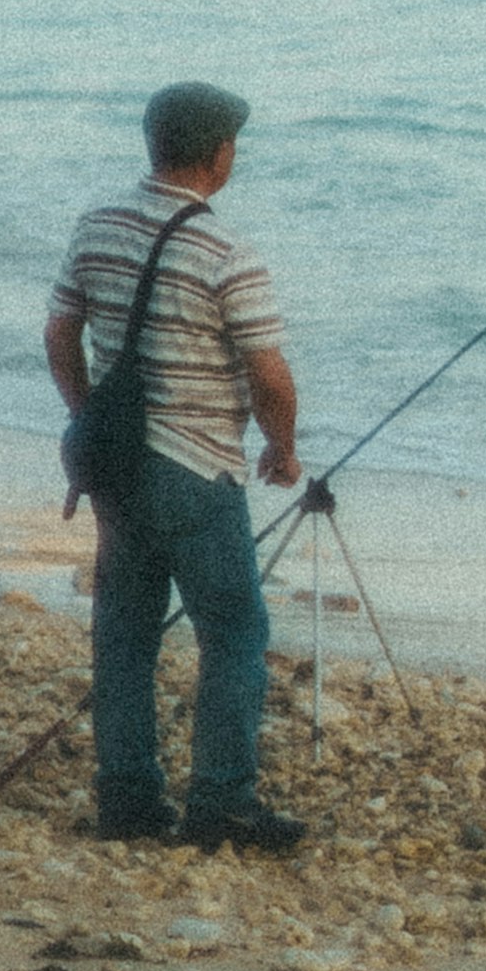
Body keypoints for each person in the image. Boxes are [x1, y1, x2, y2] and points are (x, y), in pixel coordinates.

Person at [46, 78, 308, 856]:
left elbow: (61, 332)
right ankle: (222, 801)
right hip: (197, 467)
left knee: (124, 632)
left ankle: (126, 798)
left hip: (118, 465)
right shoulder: (227, 252)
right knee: (233, 632)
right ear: (220, 155)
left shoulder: (98, 227)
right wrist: (283, 449)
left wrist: (85, 410)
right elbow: (269, 376)